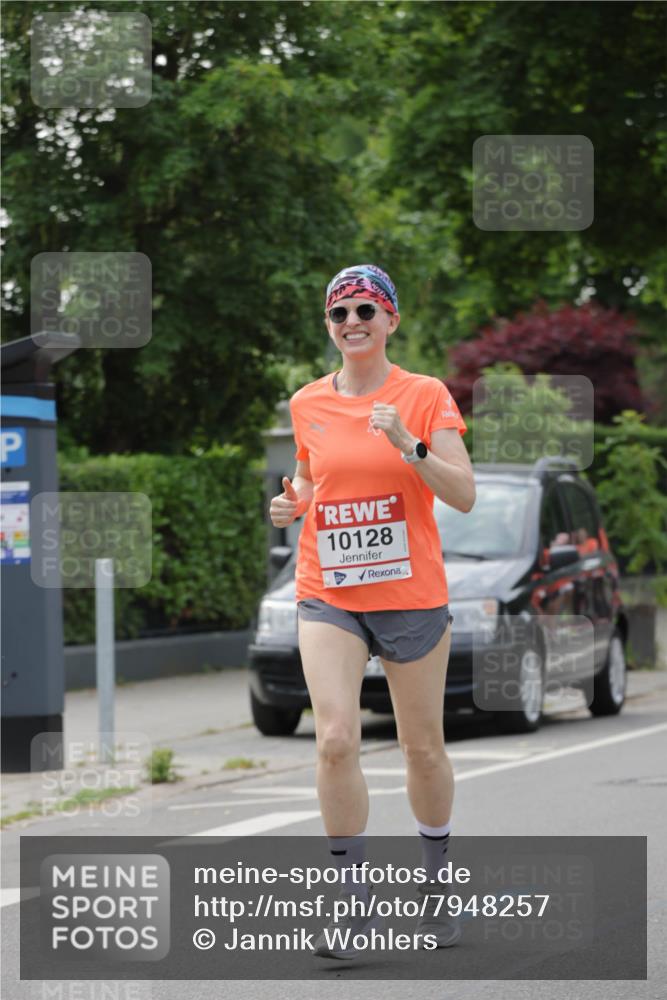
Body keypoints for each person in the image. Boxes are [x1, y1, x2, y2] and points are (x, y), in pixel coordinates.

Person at [269, 264, 475, 960]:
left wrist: (407, 445)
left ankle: (437, 887)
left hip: (411, 593)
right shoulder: (307, 403)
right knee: (333, 738)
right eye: (338, 314)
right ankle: (350, 906)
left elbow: (463, 493)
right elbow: (307, 476)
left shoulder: (423, 396)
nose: (351, 322)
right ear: (328, 327)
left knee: (420, 748)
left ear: (390, 320)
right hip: (328, 591)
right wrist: (290, 502)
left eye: (364, 310)